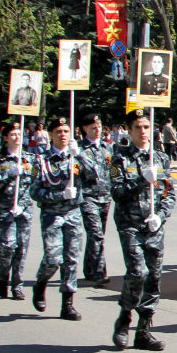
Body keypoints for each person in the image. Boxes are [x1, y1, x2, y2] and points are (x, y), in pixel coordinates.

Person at [108, 110, 176, 351]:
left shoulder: (160, 158)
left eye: (147, 127)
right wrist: (140, 182)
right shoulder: (120, 159)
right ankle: (125, 317)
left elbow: (169, 193)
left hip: (153, 226)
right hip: (130, 224)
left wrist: (161, 215)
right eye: (138, 127)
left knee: (154, 277)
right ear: (129, 130)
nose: (144, 132)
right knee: (137, 272)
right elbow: (117, 193)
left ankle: (144, 330)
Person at [30, 117, 94, 320]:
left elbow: (95, 176)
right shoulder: (41, 160)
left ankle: (67, 303)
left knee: (71, 259)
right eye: (58, 131)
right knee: (52, 257)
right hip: (52, 214)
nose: (63, 135)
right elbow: (34, 191)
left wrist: (81, 156)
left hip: (73, 213)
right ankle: (41, 283)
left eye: (66, 131)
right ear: (50, 135)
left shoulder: (76, 157)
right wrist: (59, 195)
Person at [0, 123, 36, 300]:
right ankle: (2, 276)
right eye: (13, 134)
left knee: (22, 247)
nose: (16, 137)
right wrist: (10, 173)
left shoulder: (29, 158)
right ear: (5, 138)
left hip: (24, 208)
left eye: (19, 134)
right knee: (8, 245)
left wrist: (26, 202)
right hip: (4, 208)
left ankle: (17, 285)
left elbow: (37, 183)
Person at [77, 114, 113, 286]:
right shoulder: (79, 149)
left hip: (105, 196)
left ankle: (89, 269)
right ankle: (100, 271)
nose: (97, 129)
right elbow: (88, 172)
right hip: (88, 196)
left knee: (97, 236)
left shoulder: (107, 148)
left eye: (99, 126)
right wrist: (78, 155)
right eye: (93, 127)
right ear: (84, 129)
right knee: (96, 234)